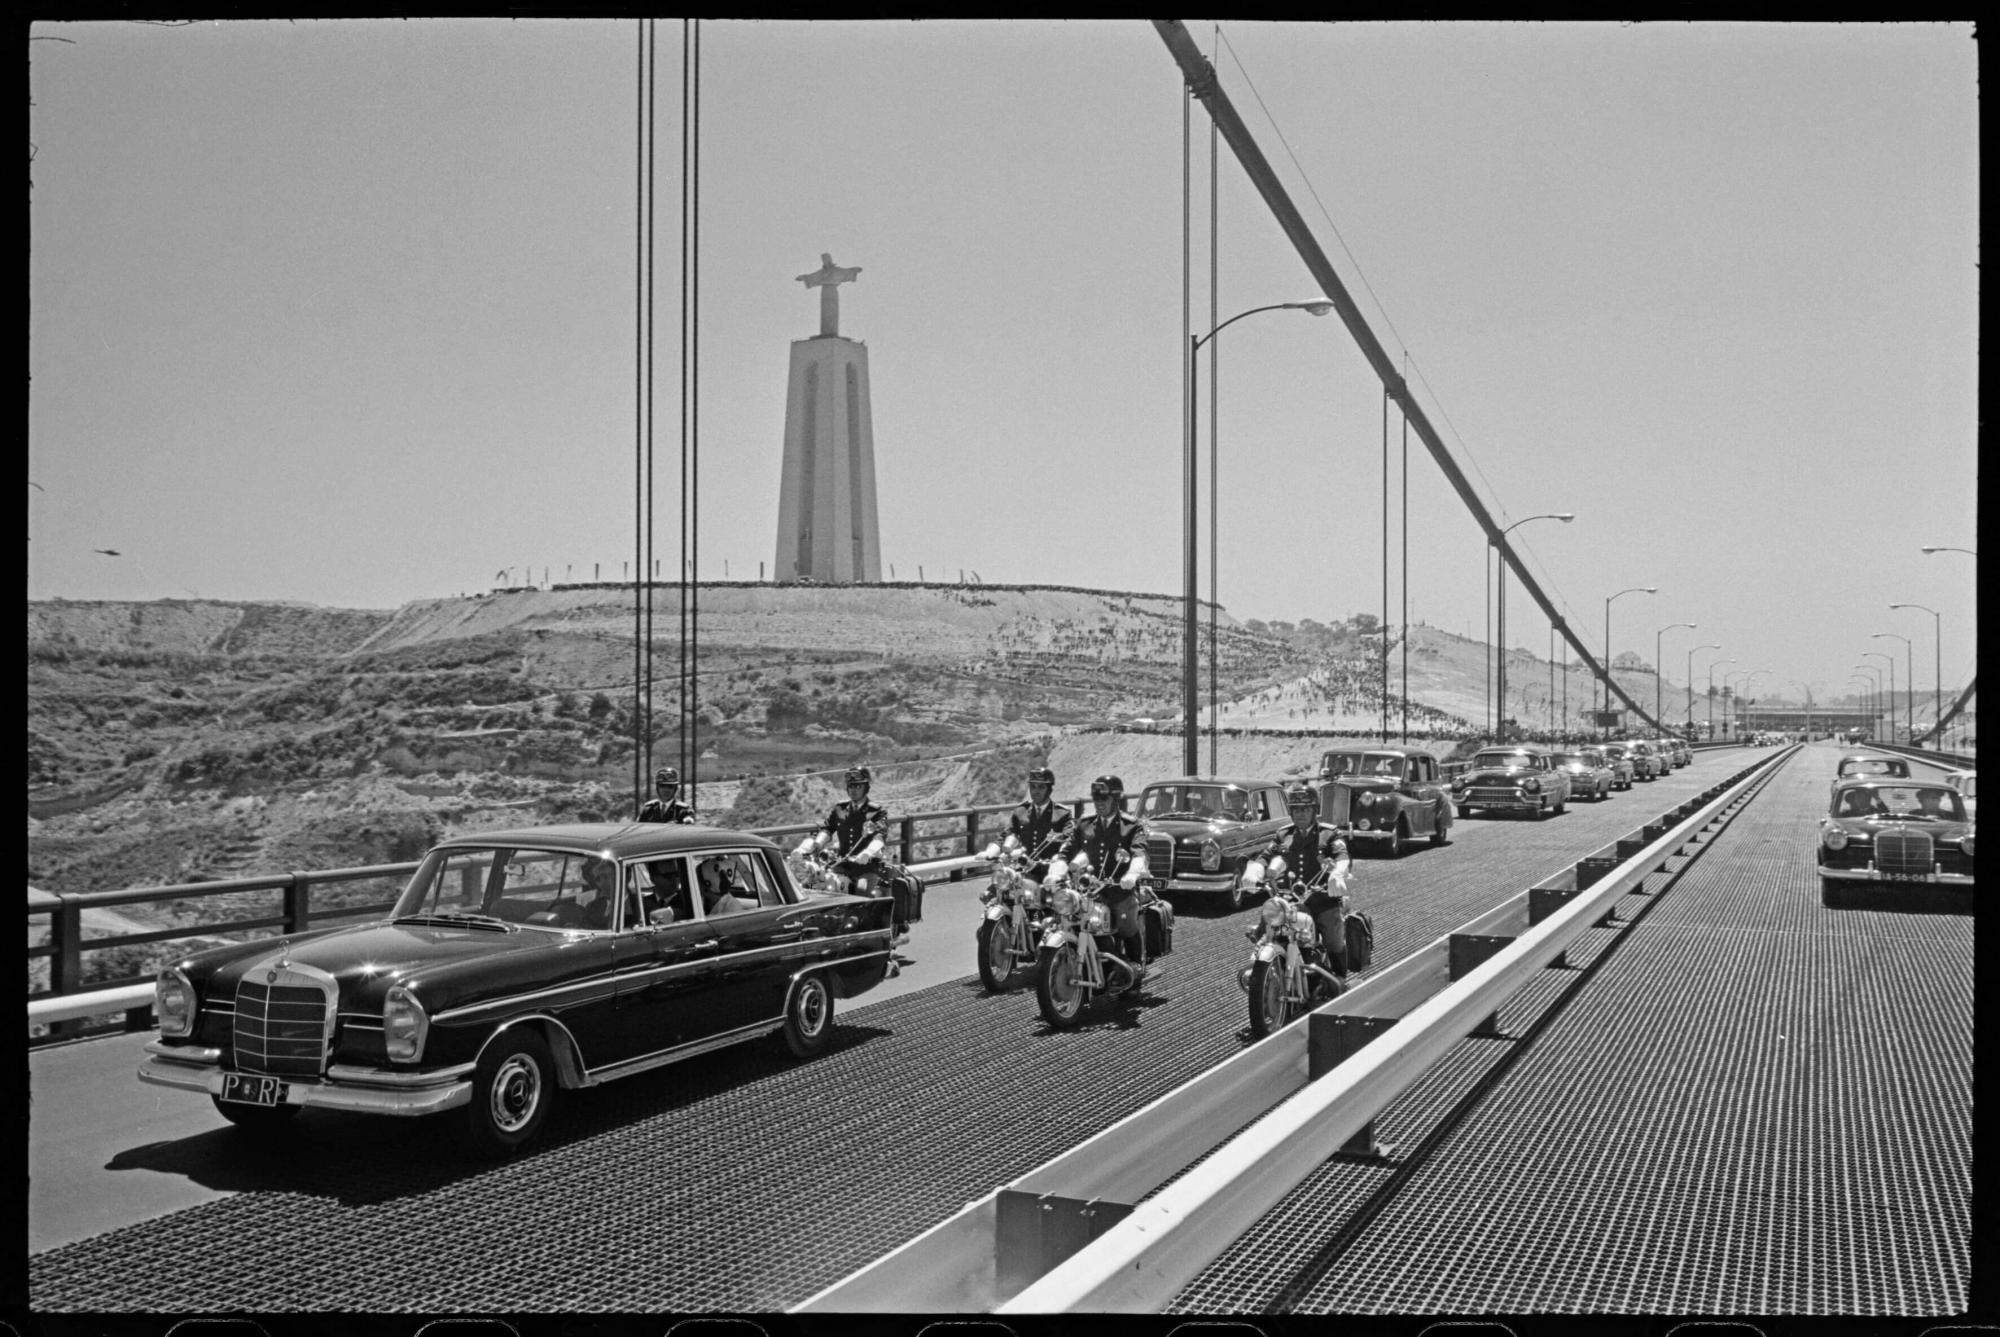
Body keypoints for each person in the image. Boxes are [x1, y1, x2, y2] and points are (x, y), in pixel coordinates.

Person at [1050, 775, 1153, 971]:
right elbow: (1067, 849)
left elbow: (1139, 852)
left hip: (1119, 891)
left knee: (1126, 924)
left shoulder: (1131, 825)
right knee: (1067, 919)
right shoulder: (1084, 824)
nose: (1099, 803)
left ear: (1116, 799)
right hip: (1088, 892)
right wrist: (1057, 869)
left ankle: (1136, 967)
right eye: (1095, 799)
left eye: (1103, 799)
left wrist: (1131, 874)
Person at [1256, 782, 1355, 977]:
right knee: (1266, 933)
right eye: (1296, 809)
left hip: (1322, 901)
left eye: (1305, 809)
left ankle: (1340, 979)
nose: (1300, 814)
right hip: (1290, 902)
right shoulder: (1284, 834)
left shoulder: (1329, 833)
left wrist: (1338, 872)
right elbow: (1266, 855)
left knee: (1334, 942)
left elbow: (1342, 855)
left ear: (1314, 811)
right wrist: (1255, 871)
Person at [812, 765, 913, 944]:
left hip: (867, 866)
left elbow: (880, 834)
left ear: (866, 787)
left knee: (862, 893)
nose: (854, 790)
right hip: (842, 864)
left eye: (858, 786)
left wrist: (868, 852)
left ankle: (878, 941)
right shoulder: (840, 809)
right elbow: (828, 828)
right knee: (822, 888)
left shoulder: (875, 811)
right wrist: (816, 844)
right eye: (851, 786)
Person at [1006, 766, 1073, 882]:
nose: (1036, 791)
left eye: (1041, 787)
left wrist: (1059, 837)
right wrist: (996, 848)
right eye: (1033, 786)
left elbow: (1071, 837)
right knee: (998, 894)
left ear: (1049, 789)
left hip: (1051, 871)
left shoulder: (1062, 814)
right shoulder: (1020, 811)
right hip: (1025, 867)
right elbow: (1008, 833)